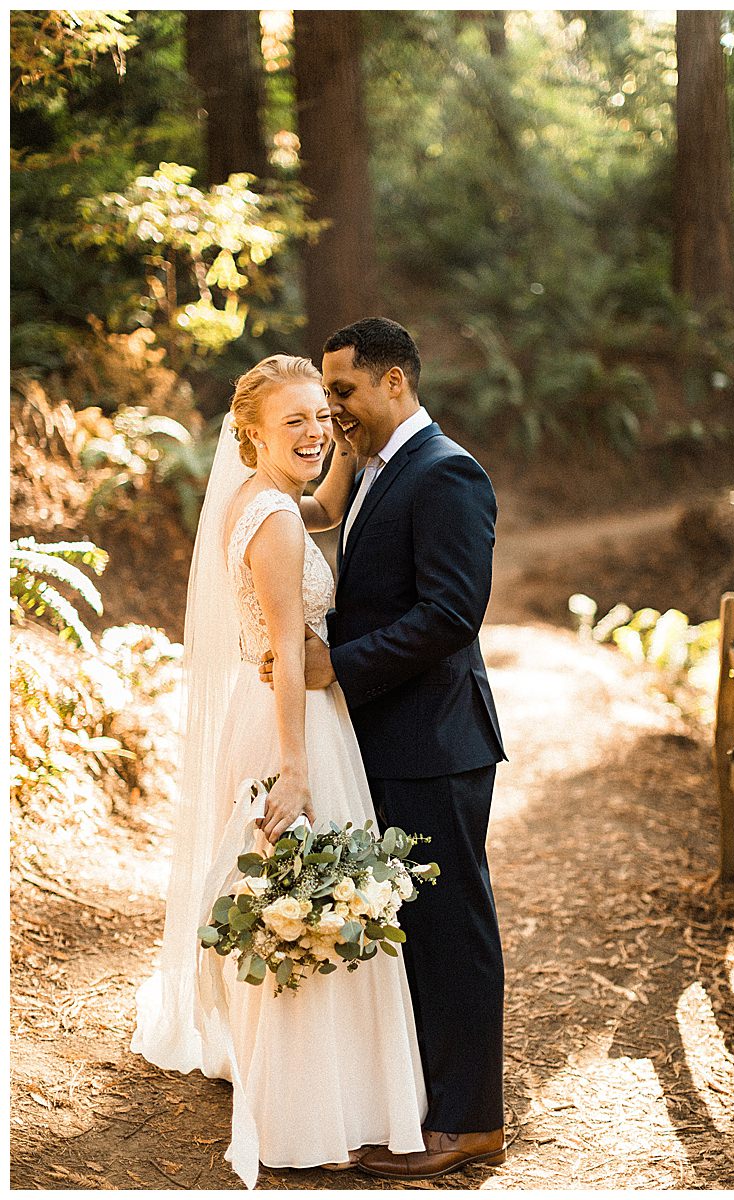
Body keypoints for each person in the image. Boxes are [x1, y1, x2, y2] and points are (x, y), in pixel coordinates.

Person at [131, 354, 427, 1189]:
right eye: (291, 421)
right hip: (293, 725)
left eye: (321, 417)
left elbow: (317, 500)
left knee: (291, 898)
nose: (313, 432)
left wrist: (336, 450)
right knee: (309, 903)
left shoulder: (253, 500)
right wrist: (296, 769)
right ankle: (308, 1109)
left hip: (256, 714)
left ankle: (306, 1085)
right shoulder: (278, 523)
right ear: (251, 433)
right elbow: (292, 654)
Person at [260, 318, 508, 1181]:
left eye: (343, 391)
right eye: (325, 394)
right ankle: (417, 1100)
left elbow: (449, 615)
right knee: (412, 927)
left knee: (452, 928)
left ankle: (472, 1121)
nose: (332, 411)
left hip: (437, 742)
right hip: (391, 737)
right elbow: (316, 517)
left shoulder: (446, 473)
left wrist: (334, 667)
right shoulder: (373, 467)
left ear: (394, 382)